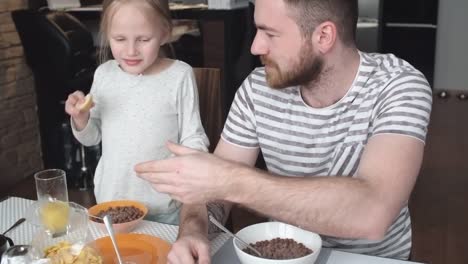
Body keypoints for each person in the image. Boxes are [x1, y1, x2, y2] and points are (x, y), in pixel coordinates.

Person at [135, 0, 432, 262]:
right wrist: (193, 232)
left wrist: (228, 180)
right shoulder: (256, 89)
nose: (255, 47)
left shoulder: (398, 86)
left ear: (324, 36)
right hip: (279, 255)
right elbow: (212, 194)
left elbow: (373, 212)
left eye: (270, 33)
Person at [65, 0, 208, 225]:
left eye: (143, 39)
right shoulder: (104, 75)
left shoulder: (180, 75)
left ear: (164, 33)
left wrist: (191, 165)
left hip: (165, 207)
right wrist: (81, 118)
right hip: (111, 204)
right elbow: (92, 137)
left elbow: (194, 136)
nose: (131, 50)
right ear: (107, 34)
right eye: (119, 39)